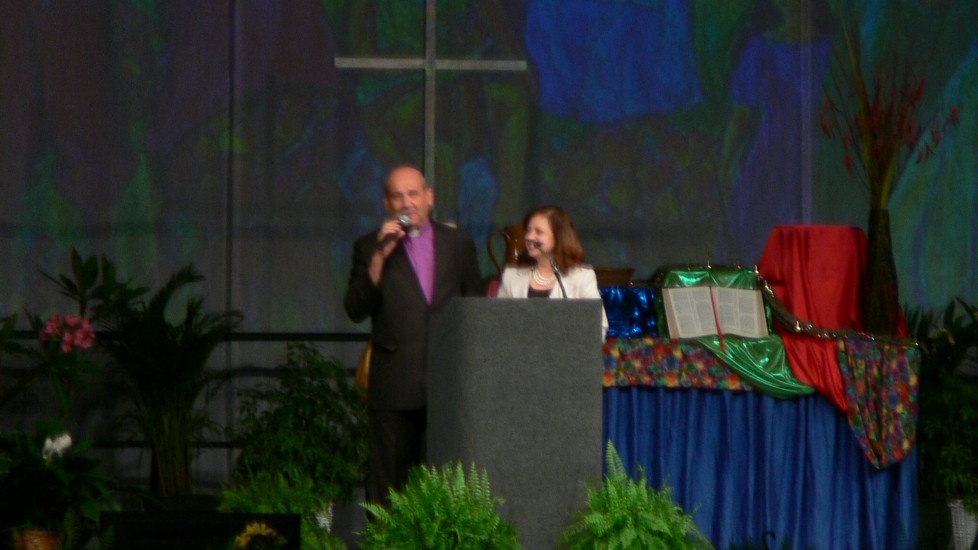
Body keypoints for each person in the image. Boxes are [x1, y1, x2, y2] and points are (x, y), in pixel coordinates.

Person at [344, 164, 484, 504]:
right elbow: (355, 309)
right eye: (398, 196)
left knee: (448, 485)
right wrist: (379, 257)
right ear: (387, 204)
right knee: (388, 488)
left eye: (414, 194)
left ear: (429, 197)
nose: (407, 203)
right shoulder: (369, 247)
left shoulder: (459, 243)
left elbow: (475, 309)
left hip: (448, 384)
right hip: (395, 383)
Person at [497, 205, 608, 338]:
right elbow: (497, 324)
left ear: (558, 237)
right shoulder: (511, 277)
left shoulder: (582, 277)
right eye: (528, 230)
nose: (529, 237)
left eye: (539, 232)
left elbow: (598, 327)